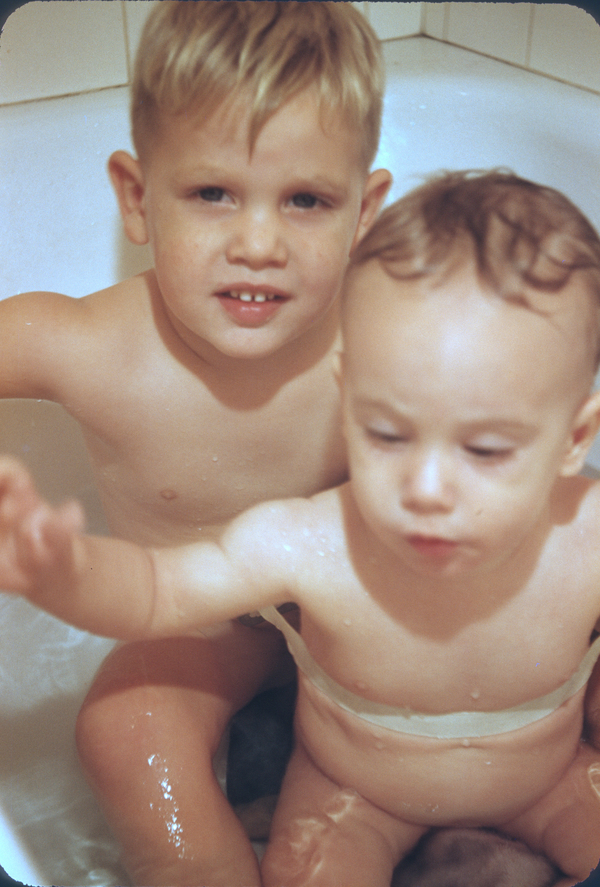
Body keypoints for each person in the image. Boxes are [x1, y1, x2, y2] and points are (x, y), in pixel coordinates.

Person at [2, 169, 600, 887]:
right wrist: (66, 572)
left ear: (574, 438)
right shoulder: (308, 542)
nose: (428, 489)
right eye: (386, 434)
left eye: (485, 450)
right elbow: (160, 589)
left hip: (551, 780)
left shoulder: (587, 532)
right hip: (354, 797)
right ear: (346, 400)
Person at [0, 3, 389, 883]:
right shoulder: (91, 347)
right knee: (123, 729)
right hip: (198, 626)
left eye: (306, 200)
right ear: (138, 200)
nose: (259, 243)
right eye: (213, 193)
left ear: (365, 212)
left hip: (374, 615)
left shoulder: (389, 337)